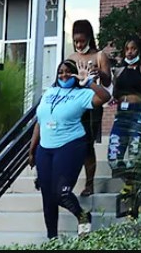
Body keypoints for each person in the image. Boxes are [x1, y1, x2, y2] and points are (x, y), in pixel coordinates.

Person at [29, 59, 110, 239]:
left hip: (70, 145)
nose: (64, 75)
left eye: (68, 72)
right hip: (45, 149)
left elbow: (105, 97)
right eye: (61, 72)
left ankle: (83, 216)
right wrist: (32, 150)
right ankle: (52, 239)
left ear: (75, 74)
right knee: (48, 197)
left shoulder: (82, 94)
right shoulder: (49, 92)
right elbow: (39, 122)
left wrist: (88, 82)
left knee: (61, 193)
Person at [107, 36, 141, 196]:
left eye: (133, 48)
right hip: (121, 115)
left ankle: (133, 189)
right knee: (114, 159)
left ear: (139, 50)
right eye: (127, 49)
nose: (129, 52)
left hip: (139, 113)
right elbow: (112, 94)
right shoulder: (118, 71)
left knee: (134, 156)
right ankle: (133, 182)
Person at [68, 19, 111, 196]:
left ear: (89, 38)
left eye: (82, 41)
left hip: (93, 104)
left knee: (87, 144)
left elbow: (107, 82)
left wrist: (99, 73)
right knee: (74, 143)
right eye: (76, 41)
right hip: (75, 105)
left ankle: (89, 184)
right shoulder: (71, 58)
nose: (79, 45)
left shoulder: (100, 56)